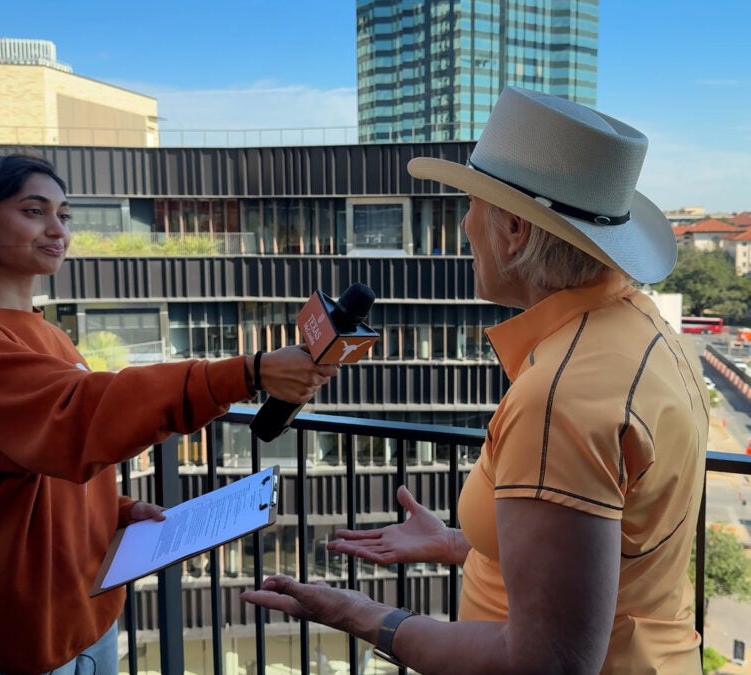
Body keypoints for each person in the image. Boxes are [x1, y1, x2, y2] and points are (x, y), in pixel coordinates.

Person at [241, 87, 709, 673]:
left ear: (513, 229)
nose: (464, 224)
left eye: (471, 204)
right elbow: (615, 549)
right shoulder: (644, 333)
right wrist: (465, 545)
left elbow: (546, 664)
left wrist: (361, 616)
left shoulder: (559, 397)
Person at [0, 154, 339, 674]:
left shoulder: (48, 332)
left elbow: (41, 461)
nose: (57, 229)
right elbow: (75, 421)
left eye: (64, 215)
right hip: (18, 621)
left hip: (89, 608)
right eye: (34, 212)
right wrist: (248, 371)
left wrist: (117, 510)